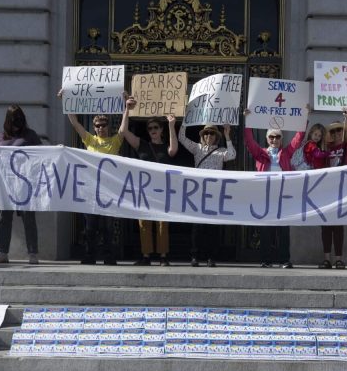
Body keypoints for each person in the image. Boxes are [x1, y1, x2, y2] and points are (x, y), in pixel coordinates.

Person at [62, 91, 124, 265]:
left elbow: (124, 128)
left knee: (108, 227)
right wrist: (66, 102)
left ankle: (109, 257)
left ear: (108, 126)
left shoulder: (115, 141)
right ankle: (89, 255)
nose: (101, 127)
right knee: (90, 227)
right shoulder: (90, 140)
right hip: (90, 191)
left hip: (109, 192)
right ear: (94, 126)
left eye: (104, 124)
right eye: (97, 125)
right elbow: (75, 124)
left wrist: (127, 108)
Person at [242, 112, 306, 268]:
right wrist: (247, 121)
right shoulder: (261, 153)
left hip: (283, 195)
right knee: (266, 229)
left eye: (277, 137)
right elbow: (249, 142)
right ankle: (266, 260)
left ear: (281, 139)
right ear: (267, 139)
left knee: (283, 229)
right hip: (265, 195)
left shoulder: (286, 152)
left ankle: (284, 260)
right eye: (271, 137)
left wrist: (304, 117)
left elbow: (298, 139)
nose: (274, 140)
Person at [119, 99, 178, 265]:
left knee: (162, 223)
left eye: (156, 128)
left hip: (162, 190)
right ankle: (146, 256)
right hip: (144, 190)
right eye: (150, 128)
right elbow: (123, 131)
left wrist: (172, 125)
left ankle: (163, 256)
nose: (152, 130)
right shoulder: (142, 145)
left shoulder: (166, 146)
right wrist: (127, 110)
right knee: (144, 223)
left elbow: (173, 150)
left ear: (161, 130)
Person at [305, 107, 347, 269]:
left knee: (338, 226)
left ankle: (338, 259)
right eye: (333, 131)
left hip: (342, 190)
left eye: (339, 130)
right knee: (326, 225)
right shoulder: (325, 148)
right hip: (326, 190)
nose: (336, 133)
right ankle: (326, 258)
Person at [0, 105, 43, 265]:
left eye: (19, 118)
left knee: (28, 219)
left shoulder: (30, 135)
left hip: (25, 185)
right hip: (6, 185)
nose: (17, 122)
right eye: (14, 119)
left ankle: (33, 254)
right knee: (4, 219)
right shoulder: (1, 136)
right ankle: (2, 253)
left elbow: (42, 153)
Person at [177, 121, 235, 267]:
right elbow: (181, 138)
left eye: (212, 133)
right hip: (198, 192)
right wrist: (185, 121)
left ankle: (211, 257)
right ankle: (195, 256)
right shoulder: (197, 148)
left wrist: (228, 136)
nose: (209, 136)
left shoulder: (221, 151)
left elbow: (232, 155)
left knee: (212, 228)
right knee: (197, 227)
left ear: (216, 137)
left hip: (214, 193)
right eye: (207, 133)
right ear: (203, 136)